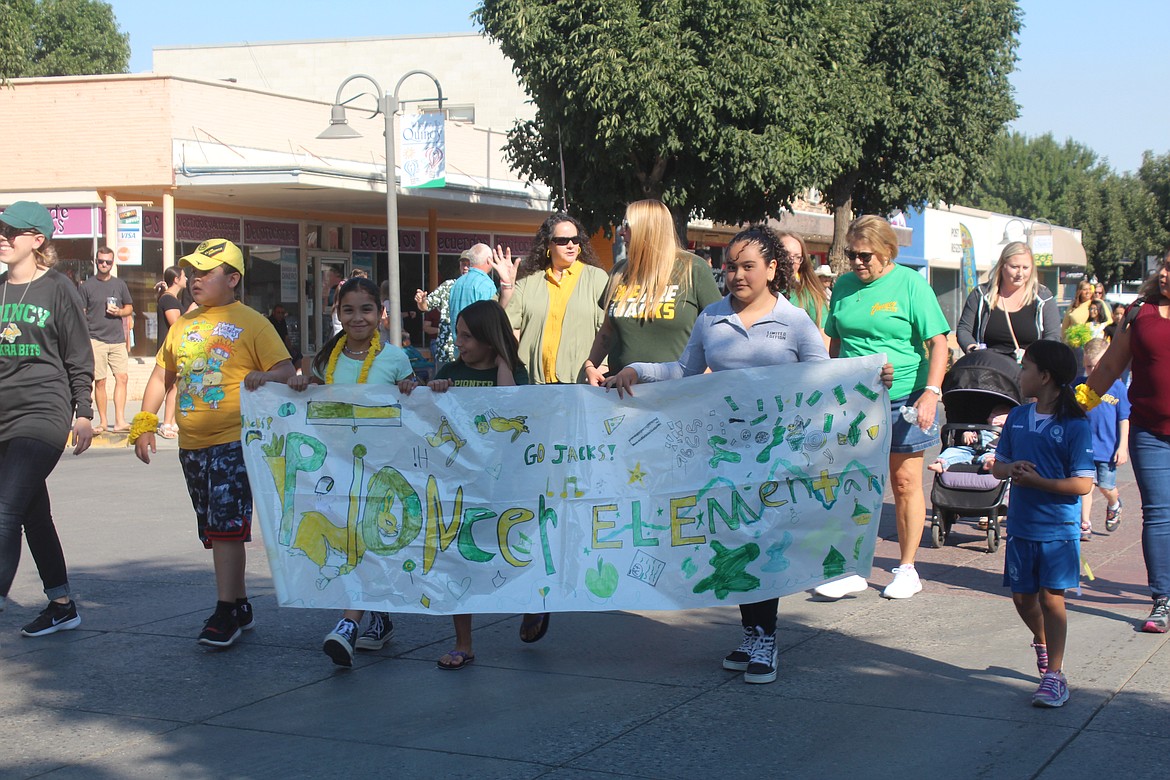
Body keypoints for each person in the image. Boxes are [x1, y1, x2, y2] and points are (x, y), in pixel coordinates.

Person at [605, 225, 831, 684]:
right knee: (735, 541)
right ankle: (751, 632)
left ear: (772, 269)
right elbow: (685, 371)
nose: (737, 275)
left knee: (765, 541)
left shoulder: (794, 322)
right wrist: (637, 370)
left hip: (777, 454)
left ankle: (765, 637)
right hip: (726, 452)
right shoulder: (711, 318)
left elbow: (826, 379)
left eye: (748, 266)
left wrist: (873, 375)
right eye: (731, 266)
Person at [132, 239, 295, 648]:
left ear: (233, 278)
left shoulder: (253, 322)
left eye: (207, 272)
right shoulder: (184, 325)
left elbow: (286, 369)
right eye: (193, 272)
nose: (195, 279)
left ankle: (225, 611)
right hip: (192, 444)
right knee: (213, 528)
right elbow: (160, 375)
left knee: (226, 529)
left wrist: (265, 378)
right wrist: (144, 422)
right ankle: (239, 602)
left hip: (233, 441)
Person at [259, 277, 415, 667]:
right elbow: (312, 393)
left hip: (381, 467)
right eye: (348, 309)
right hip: (337, 466)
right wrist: (292, 384)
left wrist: (421, 389)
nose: (357, 317)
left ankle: (349, 623)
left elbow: (413, 405)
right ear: (337, 314)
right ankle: (377, 615)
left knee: (365, 536)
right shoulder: (327, 360)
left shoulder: (394, 358)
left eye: (366, 309)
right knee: (353, 540)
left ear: (381, 313)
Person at [814, 215, 950, 601]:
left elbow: (939, 343)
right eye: (851, 255)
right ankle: (851, 567)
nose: (857, 263)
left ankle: (907, 568)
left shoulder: (910, 284)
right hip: (854, 400)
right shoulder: (842, 286)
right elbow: (833, 342)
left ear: (888, 251)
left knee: (904, 481)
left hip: (905, 397)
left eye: (865, 256)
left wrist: (931, 392)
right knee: (850, 481)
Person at [398, 300, 533, 668]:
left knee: (515, 548)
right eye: (458, 334)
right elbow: (432, 410)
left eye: (468, 336)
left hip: (506, 482)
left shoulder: (515, 372)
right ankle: (464, 643)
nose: (459, 342)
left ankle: (535, 602)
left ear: (491, 339)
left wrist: (505, 358)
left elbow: (510, 404)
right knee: (458, 557)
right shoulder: (453, 370)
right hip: (460, 482)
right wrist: (435, 386)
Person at [0, 201, 94, 636]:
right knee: (31, 512)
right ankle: (61, 603)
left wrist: (84, 411)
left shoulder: (58, 288)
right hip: (3, 414)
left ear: (37, 240)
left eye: (11, 231)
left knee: (4, 509)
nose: (3, 237)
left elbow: (78, 353)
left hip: (43, 412)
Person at [992, 340, 1094, 708]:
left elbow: (1083, 483)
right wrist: (1011, 469)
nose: (1020, 374)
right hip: (1021, 524)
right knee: (1022, 598)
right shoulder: (1018, 417)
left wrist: (1039, 483)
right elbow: (998, 465)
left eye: (1026, 367)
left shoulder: (1075, 424)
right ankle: (1042, 641)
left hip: (1058, 529)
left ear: (1045, 376)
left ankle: (1054, 676)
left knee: (1052, 598)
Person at [1081, 251, 1170, 633]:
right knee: (1160, 514)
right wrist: (1077, 404)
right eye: (1164, 265)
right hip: (1150, 432)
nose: (1164, 272)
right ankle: (1162, 599)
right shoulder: (1140, 311)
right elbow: (1112, 365)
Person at [583, 199, 721, 385]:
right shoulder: (619, 272)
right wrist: (590, 366)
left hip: (676, 394)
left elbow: (719, 330)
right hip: (622, 394)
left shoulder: (693, 268)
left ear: (648, 229)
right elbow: (607, 331)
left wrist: (708, 374)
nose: (622, 232)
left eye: (627, 226)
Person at [494, 213, 608, 384]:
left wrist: (601, 368)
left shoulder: (597, 278)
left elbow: (608, 329)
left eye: (575, 240)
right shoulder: (527, 282)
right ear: (548, 244)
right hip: (533, 386)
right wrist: (507, 286)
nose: (570, 245)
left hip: (580, 385)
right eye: (562, 240)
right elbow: (504, 325)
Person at [956, 242, 1061, 360]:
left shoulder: (1043, 297)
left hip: (1028, 370)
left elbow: (1053, 336)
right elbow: (964, 329)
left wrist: (1034, 356)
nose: (1020, 273)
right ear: (1002, 266)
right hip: (987, 367)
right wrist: (973, 349)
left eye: (1025, 268)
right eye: (1015, 267)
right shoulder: (980, 294)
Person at [1076, 338, 1128, 541]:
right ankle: (1085, 523)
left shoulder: (1117, 388)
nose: (1092, 370)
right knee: (1085, 486)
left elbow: (1124, 418)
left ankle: (1114, 503)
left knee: (1106, 487)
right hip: (1085, 446)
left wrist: (1122, 446)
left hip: (1107, 447)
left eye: (1096, 366)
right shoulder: (1080, 385)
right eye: (1088, 366)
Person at [79, 246, 133, 433]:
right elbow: (81, 312)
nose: (104, 264)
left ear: (112, 263)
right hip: (96, 339)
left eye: (108, 262)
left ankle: (120, 420)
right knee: (100, 381)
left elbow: (129, 308)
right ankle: (103, 422)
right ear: (96, 261)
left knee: (122, 378)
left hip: (117, 339)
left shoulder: (119, 285)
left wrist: (120, 311)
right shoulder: (86, 286)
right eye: (101, 261)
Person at [414, 252, 471, 371]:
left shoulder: (480, 287)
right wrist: (421, 301)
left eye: (469, 264)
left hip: (471, 353)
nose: (465, 267)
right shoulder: (448, 286)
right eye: (463, 264)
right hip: (446, 352)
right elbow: (425, 306)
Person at [446, 243, 499, 357]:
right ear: (489, 260)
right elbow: (490, 323)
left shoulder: (457, 283)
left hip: (459, 351)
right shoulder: (486, 284)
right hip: (479, 355)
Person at [777, 231, 830, 343]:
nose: (791, 261)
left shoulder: (810, 296)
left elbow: (825, 340)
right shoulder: (759, 293)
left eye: (797, 257)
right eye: (785, 254)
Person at [927, 404, 1012, 473]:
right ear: (988, 420)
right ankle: (942, 463)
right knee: (953, 450)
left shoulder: (1006, 436)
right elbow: (969, 436)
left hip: (990, 453)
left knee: (992, 457)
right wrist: (966, 435)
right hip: (971, 450)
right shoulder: (983, 431)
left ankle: (990, 463)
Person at [155, 267, 187, 439]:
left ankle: (172, 421)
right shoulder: (168, 299)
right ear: (176, 279)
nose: (187, 279)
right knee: (172, 386)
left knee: (176, 385)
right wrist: (190, 313)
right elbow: (176, 324)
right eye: (184, 276)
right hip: (169, 349)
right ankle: (167, 422)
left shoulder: (172, 298)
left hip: (175, 349)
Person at [266, 303, 303, 367]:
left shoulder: (282, 321)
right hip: (272, 347)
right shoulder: (269, 322)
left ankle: (297, 374)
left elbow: (286, 337)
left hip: (281, 346)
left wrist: (291, 349)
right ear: (274, 313)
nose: (280, 315)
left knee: (297, 355)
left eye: (282, 313)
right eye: (278, 313)